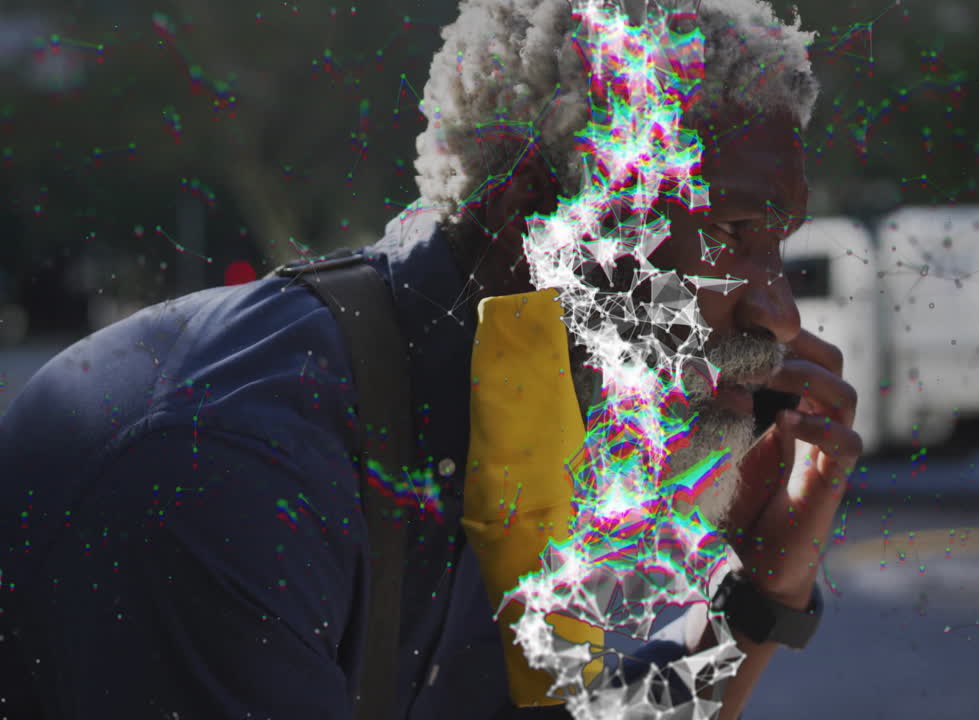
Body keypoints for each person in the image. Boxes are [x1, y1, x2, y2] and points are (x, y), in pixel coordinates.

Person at [0, 0, 861, 717]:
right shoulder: (230, 470)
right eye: (731, 233)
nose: (779, 315)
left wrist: (756, 598)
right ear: (537, 215)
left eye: (777, 244)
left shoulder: (510, 410)